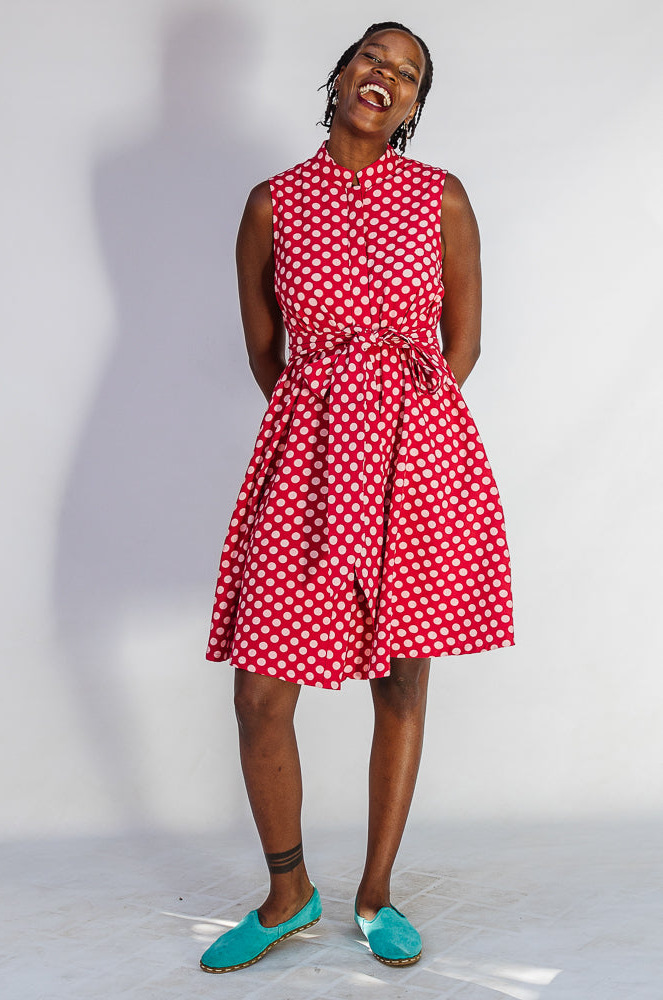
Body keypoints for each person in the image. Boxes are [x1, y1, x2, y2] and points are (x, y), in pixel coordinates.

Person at [201, 21, 514, 974]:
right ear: (339, 74)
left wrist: (405, 428)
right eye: (372, 58)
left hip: (420, 463)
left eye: (408, 74)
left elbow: (462, 340)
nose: (386, 76)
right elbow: (265, 347)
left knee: (401, 678)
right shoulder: (271, 203)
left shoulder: (441, 198)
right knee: (262, 691)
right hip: (308, 462)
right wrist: (321, 423)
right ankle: (288, 892)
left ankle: (376, 894)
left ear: (415, 107)